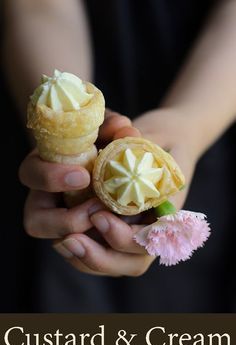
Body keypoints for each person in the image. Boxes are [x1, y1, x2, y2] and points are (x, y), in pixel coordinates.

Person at [2, 0, 236, 311]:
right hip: (46, 67)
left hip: (211, 96)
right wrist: (58, 129)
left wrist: (189, 124)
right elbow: (39, 7)